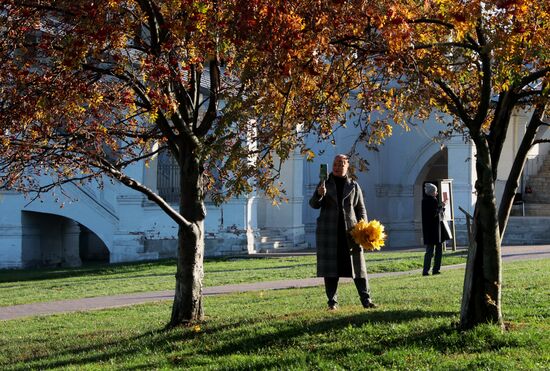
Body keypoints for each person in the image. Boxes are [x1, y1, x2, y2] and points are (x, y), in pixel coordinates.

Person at [309, 154, 376, 310]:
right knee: (331, 270)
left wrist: (364, 227)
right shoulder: (324, 183)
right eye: (335, 163)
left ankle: (366, 300)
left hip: (351, 233)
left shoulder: (354, 186)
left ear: (347, 166)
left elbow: (360, 208)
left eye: (341, 164)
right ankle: (332, 302)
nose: (337, 167)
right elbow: (313, 204)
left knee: (358, 268)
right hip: (329, 233)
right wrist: (319, 194)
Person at [421, 182, 445, 276]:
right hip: (435, 229)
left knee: (429, 251)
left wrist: (440, 208)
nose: (437, 193)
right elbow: (435, 214)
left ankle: (425, 270)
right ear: (432, 192)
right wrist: (442, 207)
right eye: (436, 191)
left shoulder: (424, 200)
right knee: (438, 250)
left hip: (428, 229)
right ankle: (436, 269)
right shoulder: (433, 200)